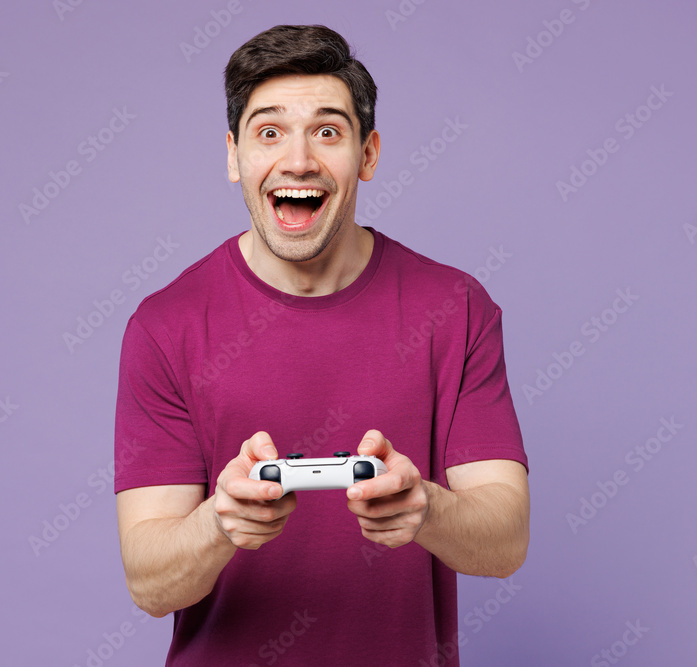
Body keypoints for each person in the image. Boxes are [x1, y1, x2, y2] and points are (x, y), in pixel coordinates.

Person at [113, 24, 529, 666]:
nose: (299, 160)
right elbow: (148, 582)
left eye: (328, 131)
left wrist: (428, 511)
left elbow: (506, 543)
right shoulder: (165, 326)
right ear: (234, 156)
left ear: (368, 155)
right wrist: (219, 524)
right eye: (269, 132)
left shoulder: (456, 308)